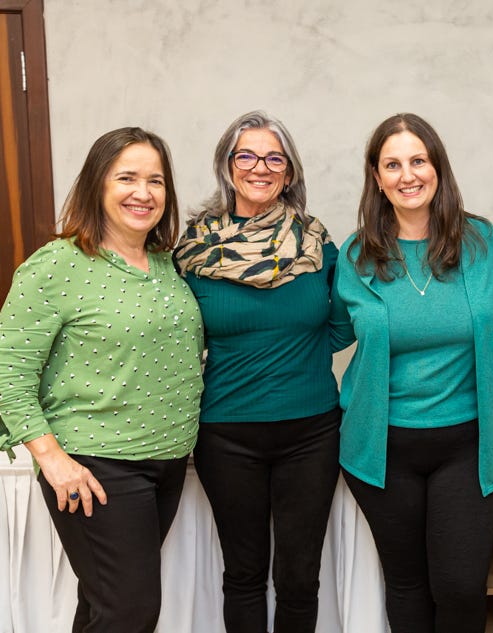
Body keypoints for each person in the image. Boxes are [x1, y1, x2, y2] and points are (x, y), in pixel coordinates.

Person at [0, 127, 203, 632]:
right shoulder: (57, 265)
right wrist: (51, 458)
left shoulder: (164, 264)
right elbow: (8, 371)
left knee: (104, 606)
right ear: (97, 184)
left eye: (155, 180)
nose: (143, 192)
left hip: (166, 460)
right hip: (96, 466)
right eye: (127, 177)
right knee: (129, 611)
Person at [329, 112, 493, 633]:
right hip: (383, 448)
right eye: (393, 164)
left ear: (437, 167)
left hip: (467, 444)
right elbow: (332, 332)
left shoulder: (480, 241)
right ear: (377, 178)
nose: (408, 175)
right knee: (405, 586)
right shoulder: (357, 254)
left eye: (418, 160)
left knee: (459, 587)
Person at [173, 111, 340, 633]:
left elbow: (341, 323)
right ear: (228, 166)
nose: (260, 167)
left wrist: (293, 355)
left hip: (311, 431)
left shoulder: (317, 245)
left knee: (299, 576)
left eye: (274, 157)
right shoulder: (193, 250)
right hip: (227, 435)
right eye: (246, 155)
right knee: (243, 573)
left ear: (289, 172)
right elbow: (179, 338)